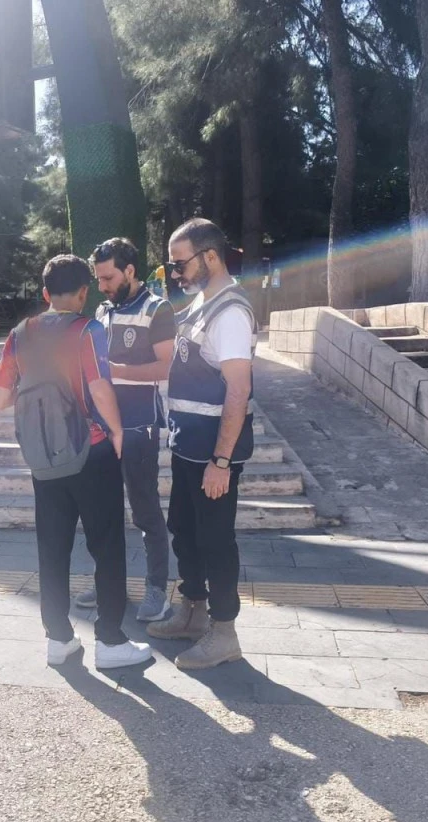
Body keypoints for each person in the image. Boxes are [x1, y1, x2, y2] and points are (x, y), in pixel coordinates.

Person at [0, 255, 153, 670]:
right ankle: (111, 641)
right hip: (91, 451)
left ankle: (59, 639)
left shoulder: (20, 334)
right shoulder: (88, 330)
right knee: (107, 546)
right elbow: (99, 388)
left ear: (45, 293)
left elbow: (0, 398)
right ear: (84, 293)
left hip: (44, 458)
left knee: (52, 548)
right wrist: (117, 432)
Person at [146, 218, 257, 670]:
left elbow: (238, 391)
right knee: (185, 530)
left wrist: (222, 461)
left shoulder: (229, 313)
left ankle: (224, 631)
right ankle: (192, 610)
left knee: (215, 540)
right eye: (172, 265)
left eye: (180, 263)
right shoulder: (200, 304)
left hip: (213, 452)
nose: (175, 273)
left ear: (210, 256)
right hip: (188, 445)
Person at [72, 237, 175, 622]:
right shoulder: (104, 309)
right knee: (102, 511)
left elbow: (166, 367)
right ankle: (108, 585)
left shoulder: (157, 308)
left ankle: (156, 590)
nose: (102, 286)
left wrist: (113, 372)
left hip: (138, 427)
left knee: (145, 511)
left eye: (108, 278)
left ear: (130, 270)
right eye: (98, 279)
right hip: (102, 428)